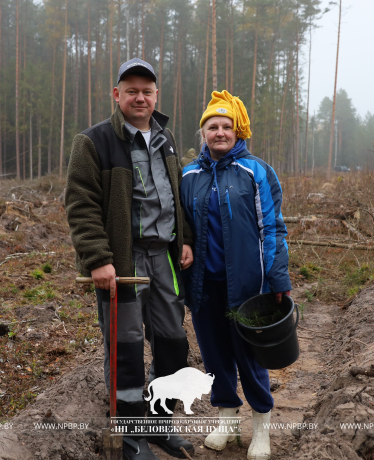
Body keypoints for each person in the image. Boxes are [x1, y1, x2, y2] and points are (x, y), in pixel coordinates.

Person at [65, 58, 194, 460]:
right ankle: (132, 436)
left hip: (165, 259)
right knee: (126, 347)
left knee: (173, 344)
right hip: (123, 262)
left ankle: (158, 423)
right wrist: (98, 258)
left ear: (157, 96)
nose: (140, 97)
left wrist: (184, 239)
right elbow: (80, 205)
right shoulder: (94, 142)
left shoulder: (166, 139)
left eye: (147, 91)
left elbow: (176, 195)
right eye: (131, 90)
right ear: (116, 95)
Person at [180, 90, 291, 460]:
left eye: (227, 126)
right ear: (203, 133)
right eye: (213, 126)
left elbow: (273, 229)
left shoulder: (256, 171)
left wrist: (277, 281)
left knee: (250, 358)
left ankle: (261, 429)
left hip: (248, 286)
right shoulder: (189, 175)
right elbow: (181, 228)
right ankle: (227, 420)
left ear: (237, 131)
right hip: (203, 285)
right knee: (214, 357)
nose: (220, 132)